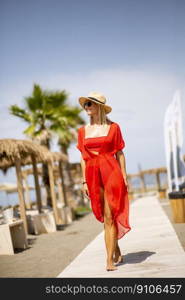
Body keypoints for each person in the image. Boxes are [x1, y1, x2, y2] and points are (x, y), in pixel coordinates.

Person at [76, 92, 131, 271]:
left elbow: (120, 153)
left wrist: (124, 176)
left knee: (109, 216)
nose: (87, 108)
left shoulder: (114, 128)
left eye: (90, 104)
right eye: (85, 105)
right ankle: (116, 248)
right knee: (104, 217)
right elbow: (83, 158)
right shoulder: (82, 131)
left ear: (99, 106)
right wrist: (84, 181)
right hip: (92, 176)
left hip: (111, 173)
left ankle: (109, 260)